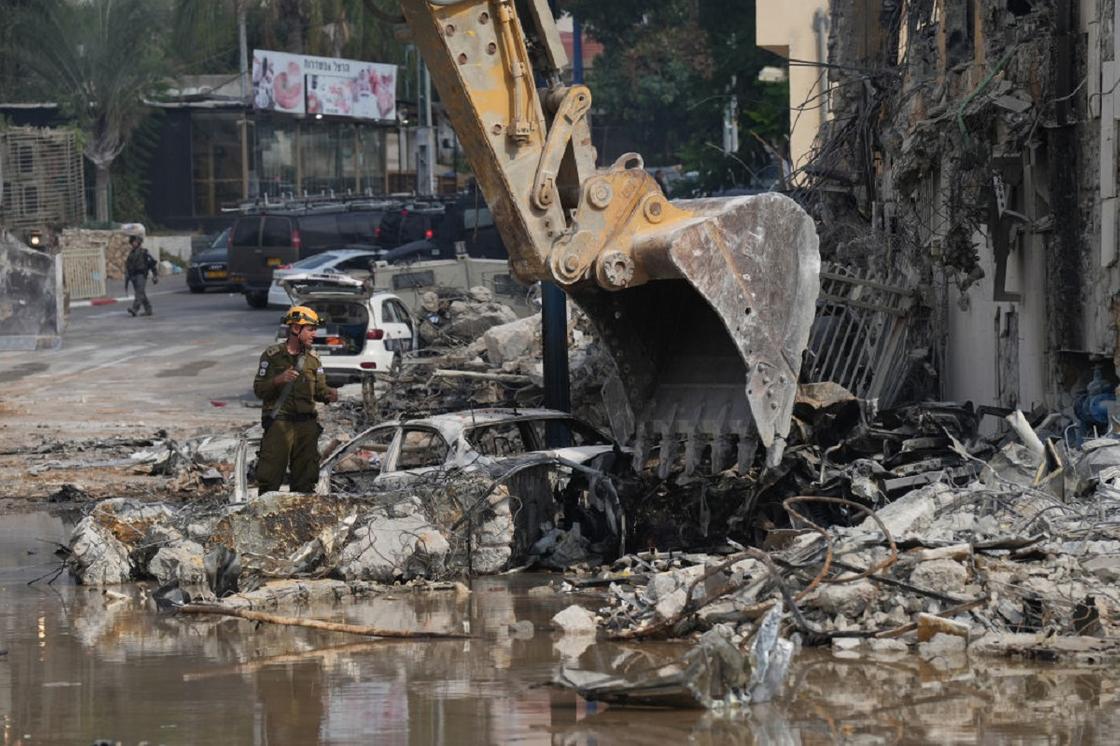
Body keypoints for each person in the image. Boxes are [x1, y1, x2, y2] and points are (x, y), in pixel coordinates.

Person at [253, 305, 339, 493]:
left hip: (306, 426)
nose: (314, 334)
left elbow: (319, 390)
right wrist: (278, 380)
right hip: (279, 424)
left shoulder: (313, 359)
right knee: (270, 477)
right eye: (310, 329)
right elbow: (259, 389)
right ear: (295, 329)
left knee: (306, 479)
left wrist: (329, 394)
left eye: (314, 329)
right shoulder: (272, 356)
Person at [125, 235, 158, 317]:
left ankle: (135, 309)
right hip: (134, 275)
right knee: (141, 293)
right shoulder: (131, 253)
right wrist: (128, 276)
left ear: (139, 242)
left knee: (139, 293)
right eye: (133, 242)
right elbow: (128, 265)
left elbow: (151, 264)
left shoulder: (144, 252)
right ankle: (148, 309)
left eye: (135, 242)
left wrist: (155, 275)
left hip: (141, 275)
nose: (133, 243)